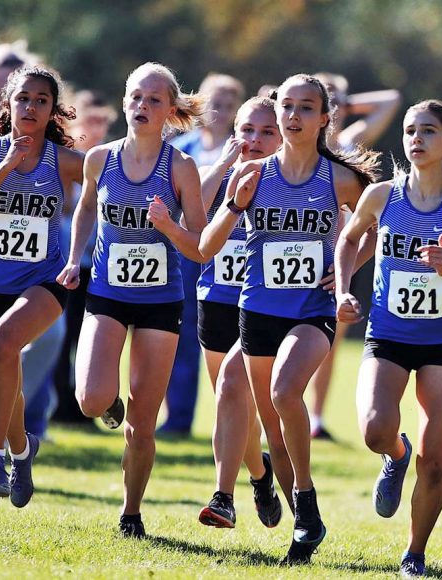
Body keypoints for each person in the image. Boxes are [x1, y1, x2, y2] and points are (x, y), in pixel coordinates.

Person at [199, 73, 378, 564]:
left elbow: (380, 225)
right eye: (287, 107)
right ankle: (307, 518)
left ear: (324, 118)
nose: (294, 116)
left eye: (306, 108)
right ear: (277, 114)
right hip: (256, 310)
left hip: (312, 312)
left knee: (284, 393)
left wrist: (343, 271)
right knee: (273, 434)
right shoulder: (253, 175)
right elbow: (206, 246)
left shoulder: (340, 178)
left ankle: (305, 504)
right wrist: (235, 203)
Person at [334, 99, 442, 577]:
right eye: (409, 131)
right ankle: (394, 454)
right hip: (386, 333)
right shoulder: (382, 196)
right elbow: (348, 240)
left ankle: (415, 553)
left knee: (435, 462)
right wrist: (342, 288)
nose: (415, 140)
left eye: (428, 131)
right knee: (375, 430)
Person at [58, 62, 207, 537]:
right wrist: (73, 256)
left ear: (169, 110)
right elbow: (84, 209)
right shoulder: (99, 158)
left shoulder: (180, 167)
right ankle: (107, 403)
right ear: (124, 102)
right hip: (106, 292)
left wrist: (168, 226)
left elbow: (200, 243)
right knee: (89, 399)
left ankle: (131, 512)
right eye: (135, 98)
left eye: (153, 100)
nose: (142, 107)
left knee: (142, 423)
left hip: (161, 303)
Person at [0, 65, 81, 506]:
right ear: (8, 103)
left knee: (4, 347)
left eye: (41, 101)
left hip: (44, 280)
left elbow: (114, 178)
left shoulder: (65, 161)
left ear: (53, 111)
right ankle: (21, 448)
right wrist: (6, 166)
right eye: (23, 99)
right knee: (3, 373)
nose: (31, 107)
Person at [193, 95, 285, 529]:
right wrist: (226, 163)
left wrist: (335, 278)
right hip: (217, 297)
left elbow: (344, 228)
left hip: (264, 303)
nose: (256, 139)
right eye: (248, 130)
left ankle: (222, 497)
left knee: (234, 392)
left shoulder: (294, 179)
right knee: (232, 407)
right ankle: (260, 474)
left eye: (268, 132)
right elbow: (191, 211)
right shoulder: (219, 168)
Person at [307, 72, 402, 441]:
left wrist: (344, 101)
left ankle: (316, 416)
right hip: (291, 254)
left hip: (337, 259)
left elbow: (390, 99)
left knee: (330, 339)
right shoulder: (287, 146)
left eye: (336, 100)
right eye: (326, 98)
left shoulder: (347, 145)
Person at [162, 73, 246, 436]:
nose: (222, 109)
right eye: (216, 101)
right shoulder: (182, 148)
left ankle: (232, 421)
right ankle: (177, 419)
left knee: (224, 338)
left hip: (227, 256)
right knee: (178, 335)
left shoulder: (245, 148)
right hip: (183, 254)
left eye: (230, 103)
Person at [51, 90, 117, 425]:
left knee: (87, 336)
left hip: (100, 264)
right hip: (67, 259)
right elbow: (62, 207)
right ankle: (63, 404)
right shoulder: (68, 159)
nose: (97, 128)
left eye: (102, 122)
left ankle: (88, 404)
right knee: (62, 336)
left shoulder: (112, 160)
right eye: (91, 121)